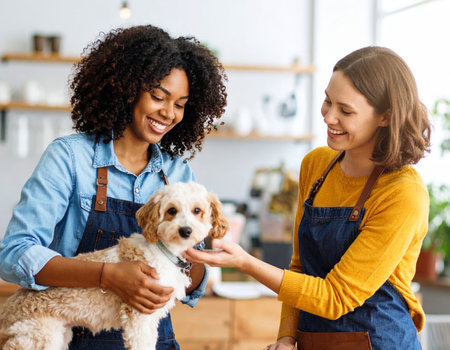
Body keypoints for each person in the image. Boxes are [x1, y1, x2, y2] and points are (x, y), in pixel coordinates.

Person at [185, 46, 431, 350]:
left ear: (385, 117)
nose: (329, 117)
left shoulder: (403, 193)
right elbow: (300, 267)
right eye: (328, 101)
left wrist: (246, 263)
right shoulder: (316, 166)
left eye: (346, 110)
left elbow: (336, 297)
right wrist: (287, 337)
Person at [0, 25, 227, 350]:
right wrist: (107, 275)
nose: (168, 112)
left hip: (151, 339)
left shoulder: (177, 172)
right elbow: (14, 252)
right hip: (75, 335)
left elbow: (191, 277)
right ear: (127, 89)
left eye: (180, 104)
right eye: (158, 96)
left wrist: (199, 250)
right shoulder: (69, 158)